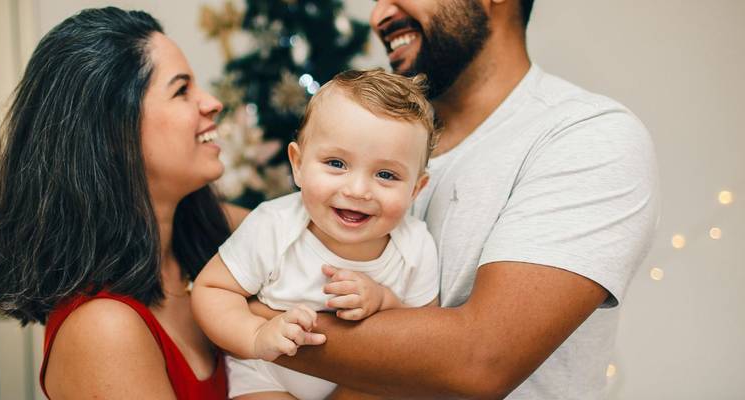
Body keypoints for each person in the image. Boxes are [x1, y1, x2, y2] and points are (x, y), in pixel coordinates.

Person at [247, 0, 659, 399]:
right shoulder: (381, 143)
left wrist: (251, 318)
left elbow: (481, 361)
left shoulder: (585, 136)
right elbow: (279, 236)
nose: (378, 15)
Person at [0, 7, 248, 398]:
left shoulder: (222, 236)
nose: (212, 102)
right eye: (182, 90)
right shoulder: (103, 328)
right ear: (117, 133)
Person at [192, 69, 441, 400]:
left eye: (386, 174)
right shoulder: (273, 226)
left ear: (416, 189)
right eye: (337, 163)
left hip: (361, 383)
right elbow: (212, 289)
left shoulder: (416, 245)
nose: (357, 189)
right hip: (270, 377)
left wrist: (384, 301)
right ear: (298, 164)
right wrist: (255, 334)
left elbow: (428, 336)